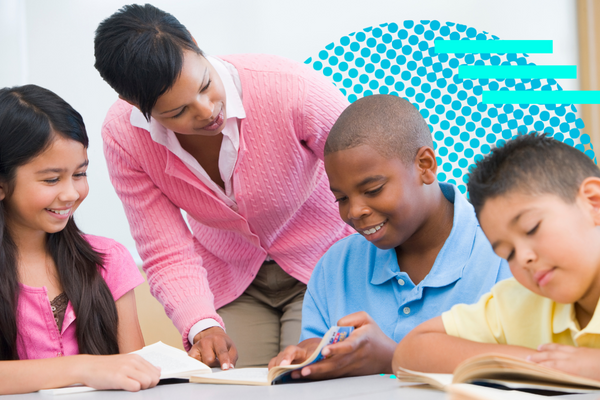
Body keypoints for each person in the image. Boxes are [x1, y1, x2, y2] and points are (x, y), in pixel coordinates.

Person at [94, 4, 353, 368]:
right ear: (132, 103)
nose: (205, 111)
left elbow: (372, 175)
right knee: (229, 384)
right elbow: (165, 248)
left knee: (305, 375)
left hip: (326, 264)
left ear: (197, 46)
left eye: (205, 86)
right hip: (230, 279)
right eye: (177, 112)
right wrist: (201, 325)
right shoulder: (124, 135)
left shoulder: (293, 89)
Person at [268, 94, 511, 379]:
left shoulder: (507, 254)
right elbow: (320, 361)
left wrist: (394, 359)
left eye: (373, 190)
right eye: (342, 198)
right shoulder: (335, 267)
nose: (355, 211)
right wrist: (312, 353)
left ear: (425, 165)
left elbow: (534, 369)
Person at [393, 133, 600, 381]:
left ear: (593, 202)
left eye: (532, 228)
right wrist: (539, 365)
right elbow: (410, 352)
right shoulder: (518, 302)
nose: (523, 258)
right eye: (508, 253)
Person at [0, 85, 160, 395]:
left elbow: (133, 369)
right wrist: (83, 368)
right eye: (51, 179)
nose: (71, 193)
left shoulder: (107, 259)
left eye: (80, 174)